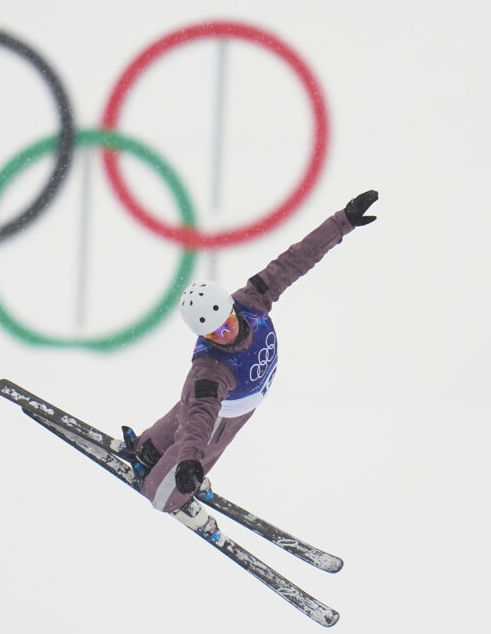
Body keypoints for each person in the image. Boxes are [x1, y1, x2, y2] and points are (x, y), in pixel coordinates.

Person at [125, 190, 379, 513]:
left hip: (232, 399)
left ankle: (149, 450)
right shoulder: (210, 371)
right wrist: (190, 463)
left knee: (183, 420)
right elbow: (201, 419)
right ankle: (167, 491)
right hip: (223, 412)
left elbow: (295, 260)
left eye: (226, 322)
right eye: (214, 333)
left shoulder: (252, 299)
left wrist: (342, 222)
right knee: (172, 475)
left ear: (232, 307)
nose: (225, 334)